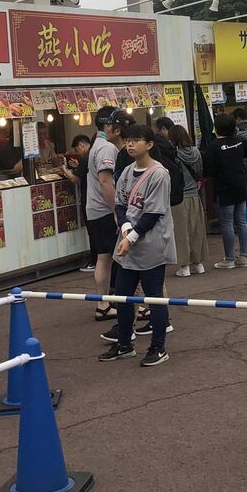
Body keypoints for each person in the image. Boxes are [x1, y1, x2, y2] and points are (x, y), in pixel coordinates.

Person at [99, 125, 176, 367]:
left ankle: (158, 347)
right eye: (128, 140)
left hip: (151, 243)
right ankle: (124, 344)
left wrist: (130, 237)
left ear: (150, 144)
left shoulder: (159, 174)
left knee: (154, 298)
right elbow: (120, 204)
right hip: (128, 243)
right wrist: (125, 229)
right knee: (123, 296)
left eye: (136, 140)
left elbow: (153, 213)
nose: (130, 144)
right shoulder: (126, 171)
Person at [87, 108, 131, 318]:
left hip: (96, 208)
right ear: (107, 125)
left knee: (104, 257)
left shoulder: (97, 145)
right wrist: (116, 212)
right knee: (112, 257)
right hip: (105, 209)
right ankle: (106, 304)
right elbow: (105, 181)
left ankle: (104, 303)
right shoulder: (106, 148)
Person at [204, 111, 247, 268]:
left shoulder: (213, 146)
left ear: (216, 128)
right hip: (241, 185)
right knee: (241, 221)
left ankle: (229, 259)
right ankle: (244, 256)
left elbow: (209, 170)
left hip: (224, 188)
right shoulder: (239, 140)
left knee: (227, 223)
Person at [169, 124, 208, 277]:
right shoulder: (196, 152)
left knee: (181, 231)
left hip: (180, 197)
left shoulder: (174, 154)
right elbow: (200, 171)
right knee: (197, 230)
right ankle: (198, 263)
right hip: (195, 195)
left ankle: (184, 265)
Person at [61, 134, 95, 271]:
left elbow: (75, 179)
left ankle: (94, 261)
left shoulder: (86, 158)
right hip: (95, 198)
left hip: (89, 199)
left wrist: (64, 170)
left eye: (77, 150)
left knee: (92, 231)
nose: (77, 153)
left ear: (82, 145)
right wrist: (78, 165)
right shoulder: (92, 156)